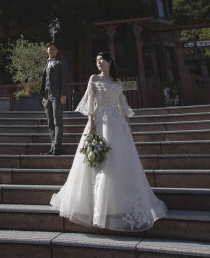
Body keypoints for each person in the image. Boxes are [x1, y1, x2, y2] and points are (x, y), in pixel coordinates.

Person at [50, 51, 167, 231]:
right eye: (96, 60)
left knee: (119, 161)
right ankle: (95, 206)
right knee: (99, 161)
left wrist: (128, 125)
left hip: (117, 125)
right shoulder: (94, 79)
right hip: (100, 121)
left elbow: (122, 105)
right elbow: (90, 103)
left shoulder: (117, 83)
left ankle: (117, 204)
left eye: (101, 60)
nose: (99, 63)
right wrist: (91, 123)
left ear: (110, 61)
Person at [39, 42, 68, 155]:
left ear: (57, 51)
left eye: (54, 48)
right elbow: (44, 80)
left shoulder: (61, 62)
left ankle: (57, 146)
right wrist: (43, 96)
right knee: (50, 122)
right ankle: (52, 147)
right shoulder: (47, 64)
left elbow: (64, 78)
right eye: (50, 48)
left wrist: (63, 94)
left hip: (56, 95)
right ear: (47, 50)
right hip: (47, 96)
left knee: (57, 121)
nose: (51, 50)